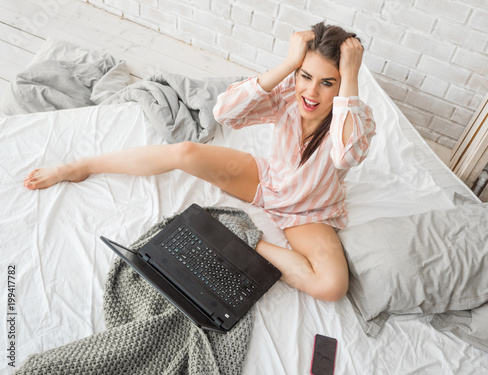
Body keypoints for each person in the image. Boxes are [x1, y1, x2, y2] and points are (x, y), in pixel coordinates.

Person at [23, 22, 376, 301]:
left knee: (331, 287)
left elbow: (347, 154)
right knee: (184, 152)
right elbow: (224, 112)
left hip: (309, 212)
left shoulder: (355, 118)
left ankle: (245, 237)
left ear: (343, 85)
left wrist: (352, 75)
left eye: (328, 83)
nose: (311, 93)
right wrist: (287, 64)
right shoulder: (288, 95)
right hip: (266, 181)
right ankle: (82, 166)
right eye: (306, 76)